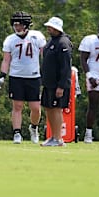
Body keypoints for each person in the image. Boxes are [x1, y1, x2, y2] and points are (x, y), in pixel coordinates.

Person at [0, 11, 47, 144]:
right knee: (17, 106)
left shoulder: (37, 36)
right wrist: (2, 75)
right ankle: (17, 133)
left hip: (33, 76)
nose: (17, 27)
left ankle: (34, 128)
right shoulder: (10, 39)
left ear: (26, 25)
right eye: (15, 25)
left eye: (19, 25)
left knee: (35, 107)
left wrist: (48, 72)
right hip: (16, 76)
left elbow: (44, 56)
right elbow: (6, 60)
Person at [39, 17, 72, 147]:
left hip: (58, 84)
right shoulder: (51, 41)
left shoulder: (63, 43)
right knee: (49, 108)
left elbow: (65, 67)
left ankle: (58, 138)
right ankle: (53, 136)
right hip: (48, 83)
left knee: (56, 109)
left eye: (51, 27)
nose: (48, 29)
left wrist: (61, 86)